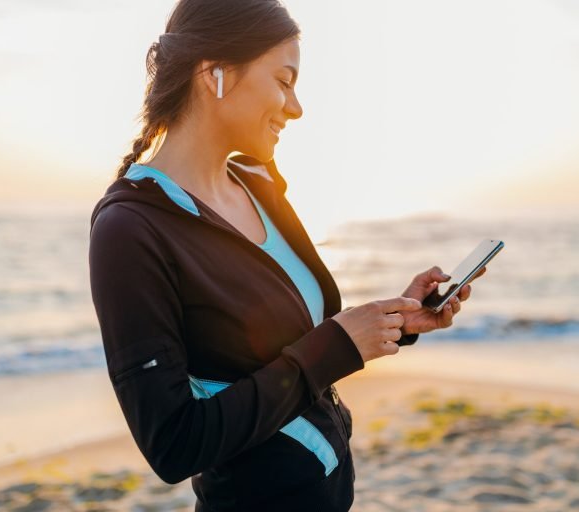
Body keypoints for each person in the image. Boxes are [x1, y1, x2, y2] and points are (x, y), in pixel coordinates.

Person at [88, 1, 484, 510]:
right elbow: (174, 442)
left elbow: (283, 344)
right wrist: (339, 344)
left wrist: (396, 321)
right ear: (217, 74)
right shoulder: (131, 229)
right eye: (283, 79)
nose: (296, 107)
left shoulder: (260, 187)